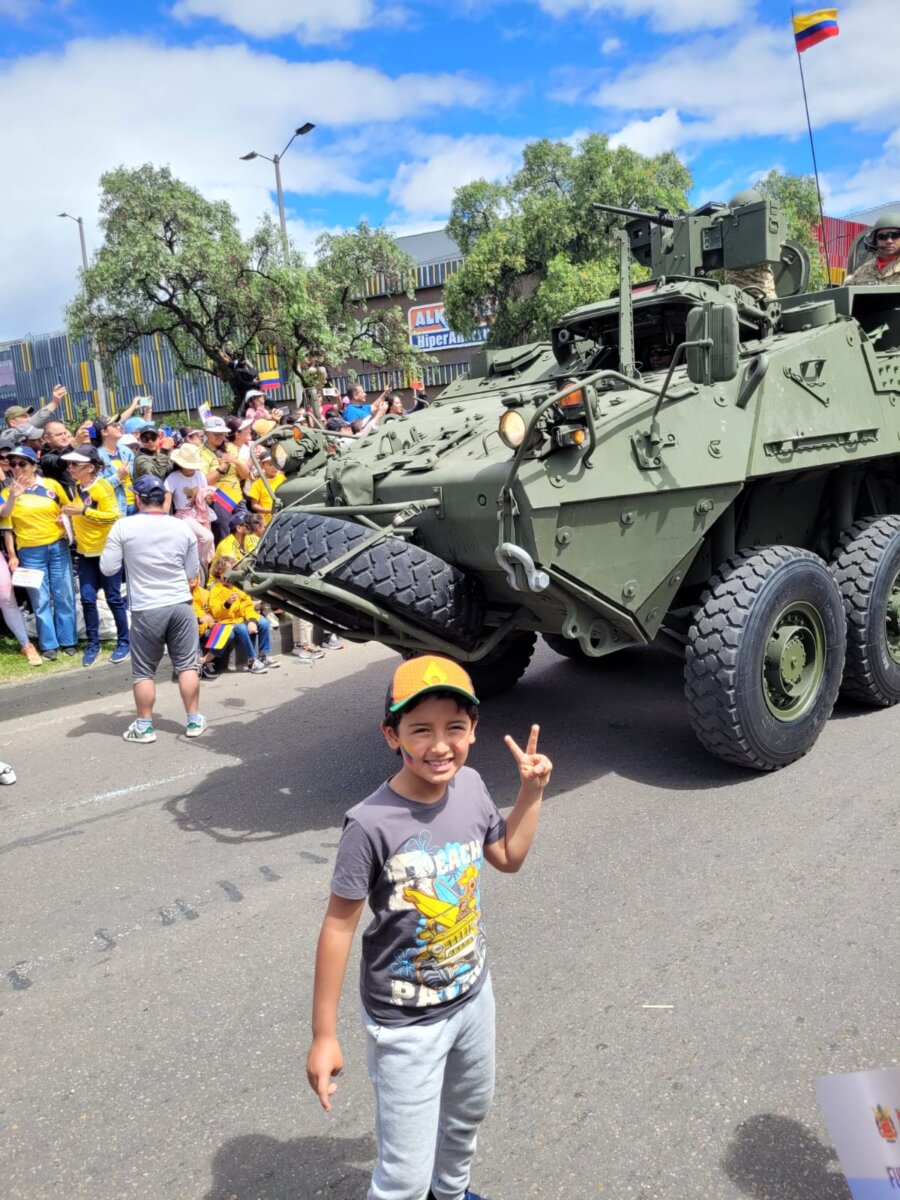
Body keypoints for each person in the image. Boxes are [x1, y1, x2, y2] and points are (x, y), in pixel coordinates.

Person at [305, 655, 553, 1200]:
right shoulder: (369, 824)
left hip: (472, 996)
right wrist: (324, 1035)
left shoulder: (471, 787)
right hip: (405, 1024)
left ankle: (452, 1192)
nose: (440, 745)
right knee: (402, 1177)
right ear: (391, 735)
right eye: (421, 730)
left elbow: (508, 857)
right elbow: (339, 927)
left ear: (473, 730)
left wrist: (531, 794)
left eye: (454, 728)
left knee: (467, 1117)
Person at [99, 475, 206, 742]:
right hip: (180, 603)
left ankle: (145, 727)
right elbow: (192, 571)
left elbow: (108, 568)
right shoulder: (182, 527)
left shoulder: (123, 527)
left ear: (137, 498)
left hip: (147, 607)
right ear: (165, 498)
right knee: (187, 665)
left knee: (144, 670)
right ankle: (193, 720)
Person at [0, 446, 77, 660]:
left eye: (22, 463)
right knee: (40, 598)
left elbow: (69, 507)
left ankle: (68, 640)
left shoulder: (51, 486)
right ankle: (49, 644)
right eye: (12, 464)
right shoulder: (6, 493)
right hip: (30, 552)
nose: (16, 468)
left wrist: (65, 517)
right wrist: (12, 555)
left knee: (64, 594)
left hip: (58, 546)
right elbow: (7, 528)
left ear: (34, 466)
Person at [61, 447, 130, 667]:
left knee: (113, 599)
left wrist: (83, 512)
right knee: (88, 599)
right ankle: (93, 644)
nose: (70, 468)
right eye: (70, 464)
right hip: (85, 553)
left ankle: (124, 642)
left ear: (90, 468)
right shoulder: (78, 486)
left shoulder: (103, 486)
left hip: (106, 552)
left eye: (75, 465)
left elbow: (113, 516)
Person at [206, 555, 278, 673]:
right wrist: (227, 604)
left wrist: (251, 621)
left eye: (233, 571)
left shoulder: (237, 587)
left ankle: (263, 655)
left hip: (240, 619)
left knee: (264, 622)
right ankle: (251, 661)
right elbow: (218, 614)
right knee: (241, 628)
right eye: (227, 572)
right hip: (226, 622)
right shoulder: (215, 590)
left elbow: (248, 606)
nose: (231, 575)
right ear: (219, 573)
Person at [163, 443, 215, 566]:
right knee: (207, 537)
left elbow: (203, 496)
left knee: (205, 540)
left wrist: (208, 498)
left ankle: (203, 568)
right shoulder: (172, 478)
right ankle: (198, 565)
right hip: (183, 515)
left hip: (200, 512)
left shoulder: (201, 476)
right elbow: (167, 503)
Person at [94, 414, 136, 516]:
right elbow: (98, 487)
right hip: (116, 508)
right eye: (114, 425)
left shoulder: (126, 451)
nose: (119, 427)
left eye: (118, 424)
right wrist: (118, 477)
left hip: (134, 505)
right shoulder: (96, 456)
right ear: (104, 432)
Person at [845, 212, 900, 285]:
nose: (889, 241)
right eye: (882, 237)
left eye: (895, 235)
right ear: (874, 241)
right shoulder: (862, 271)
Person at [246, 453, 285, 525]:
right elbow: (254, 505)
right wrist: (267, 510)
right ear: (262, 466)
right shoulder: (258, 484)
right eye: (270, 465)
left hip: (283, 516)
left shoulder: (283, 478)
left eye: (275, 464)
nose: (273, 467)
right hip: (267, 521)